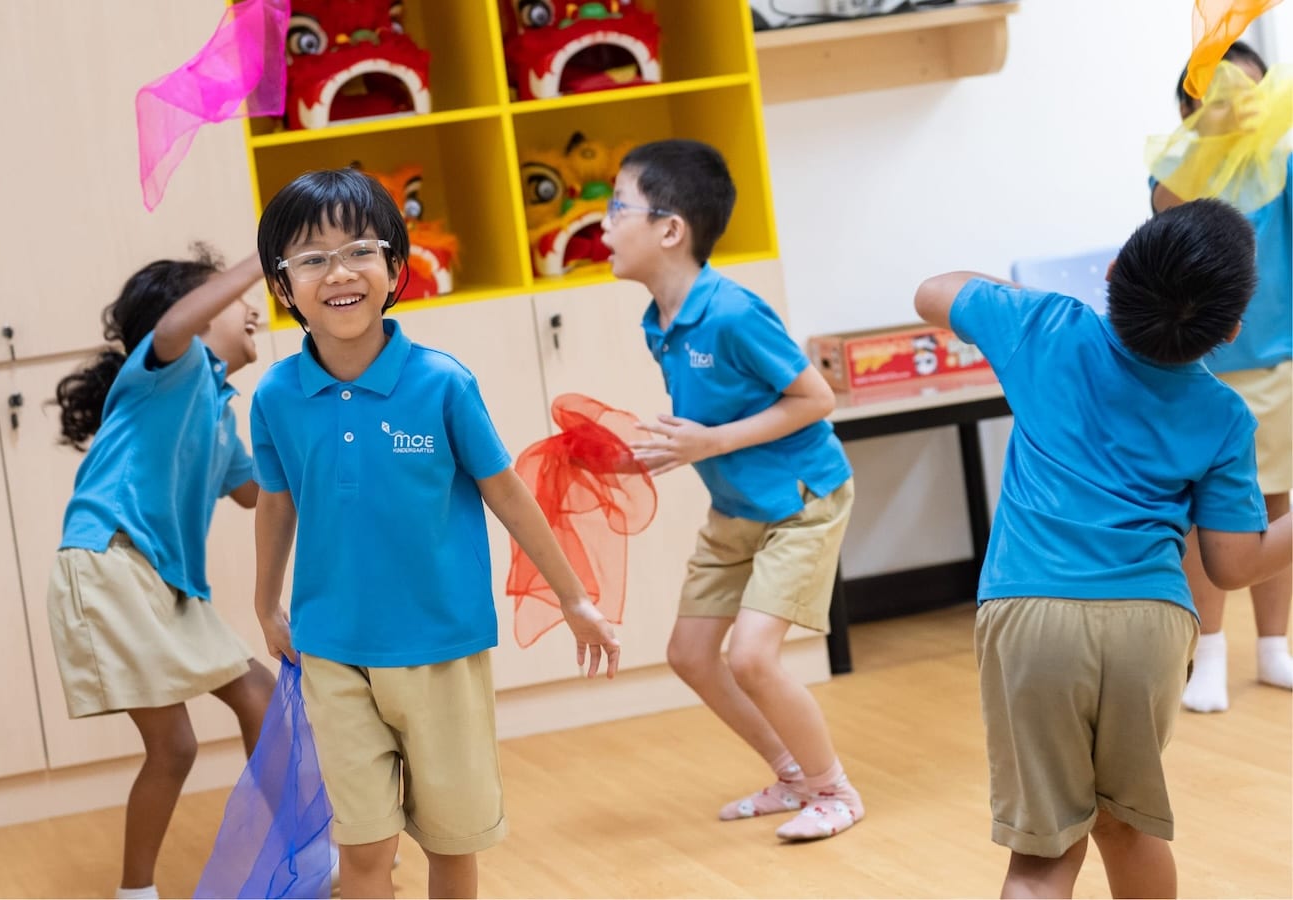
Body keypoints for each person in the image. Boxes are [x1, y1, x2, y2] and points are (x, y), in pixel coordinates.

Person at [250, 168, 621, 899]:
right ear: (283, 286)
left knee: (453, 844)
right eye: (313, 259)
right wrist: (266, 604)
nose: (339, 273)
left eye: (359, 250)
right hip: (332, 649)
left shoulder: (442, 383)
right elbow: (275, 502)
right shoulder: (275, 396)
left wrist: (574, 598)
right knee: (363, 848)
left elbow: (507, 494)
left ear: (395, 267)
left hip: (442, 648)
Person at [914, 198, 1292, 899]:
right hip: (1150, 625)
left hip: (1030, 614)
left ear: (1114, 271)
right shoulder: (1222, 415)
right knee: (1130, 826)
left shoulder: (1045, 326)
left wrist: (1022, 304)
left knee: (1043, 855)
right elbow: (1233, 565)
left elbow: (933, 291)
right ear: (1231, 330)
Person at [602, 139, 864, 842]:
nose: (604, 223)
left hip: (801, 503)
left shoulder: (732, 312)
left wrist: (711, 443)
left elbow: (816, 398)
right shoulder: (658, 324)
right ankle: (793, 775)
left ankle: (835, 791)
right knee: (690, 655)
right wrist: (650, 454)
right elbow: (703, 420)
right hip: (737, 510)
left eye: (618, 207)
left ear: (670, 229)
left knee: (750, 656)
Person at [47, 246, 275, 900]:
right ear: (198, 314)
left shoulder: (219, 409)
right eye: (236, 299)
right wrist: (263, 257)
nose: (254, 310)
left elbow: (258, 494)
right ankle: (138, 892)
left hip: (166, 585)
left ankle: (290, 852)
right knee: (174, 746)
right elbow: (174, 328)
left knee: (258, 701)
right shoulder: (170, 369)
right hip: (109, 563)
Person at [1152, 40, 1293, 712]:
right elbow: (1165, 211)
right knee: (1202, 513)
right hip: (1198, 369)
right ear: (1191, 107)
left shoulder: (1282, 167)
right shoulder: (1177, 170)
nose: (1241, 106)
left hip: (1276, 363)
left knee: (1275, 504)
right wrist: (1207, 143)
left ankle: (1273, 647)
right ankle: (1207, 650)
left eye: (1251, 93)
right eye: (1224, 94)